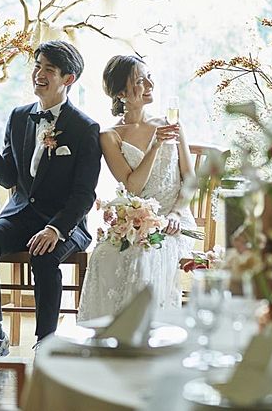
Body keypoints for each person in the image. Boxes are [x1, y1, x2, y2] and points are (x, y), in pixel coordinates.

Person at [0, 40, 102, 355]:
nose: (39, 74)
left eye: (49, 69)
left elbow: (84, 194)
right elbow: (9, 178)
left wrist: (55, 229)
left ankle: (45, 342)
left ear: (68, 79)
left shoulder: (85, 128)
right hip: (19, 217)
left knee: (44, 256)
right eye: (37, 66)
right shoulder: (18, 117)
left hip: (66, 223)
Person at [78, 55, 197, 320]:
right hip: (136, 220)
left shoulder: (171, 124)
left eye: (149, 77)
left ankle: (145, 332)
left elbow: (190, 179)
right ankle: (107, 330)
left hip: (175, 221)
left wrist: (177, 213)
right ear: (121, 92)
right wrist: (155, 146)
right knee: (103, 255)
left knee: (144, 257)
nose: (150, 84)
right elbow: (132, 189)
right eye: (140, 80)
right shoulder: (109, 136)